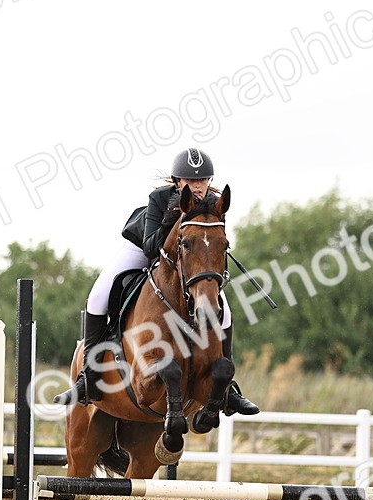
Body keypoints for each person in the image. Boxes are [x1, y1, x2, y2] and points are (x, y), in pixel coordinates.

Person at [57, 147, 258, 415]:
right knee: (98, 296)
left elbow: (208, 243)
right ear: (178, 182)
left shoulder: (214, 202)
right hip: (143, 248)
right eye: (191, 180)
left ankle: (228, 389)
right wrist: (172, 221)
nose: (197, 186)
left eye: (202, 180)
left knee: (226, 312)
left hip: (185, 261)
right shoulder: (160, 198)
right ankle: (88, 377)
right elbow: (152, 247)